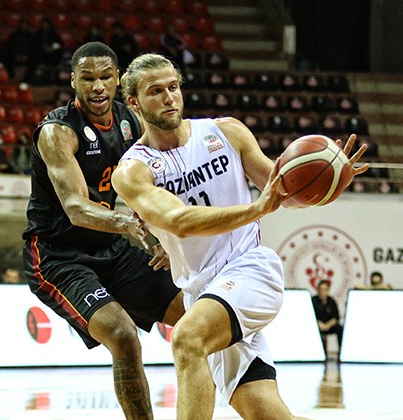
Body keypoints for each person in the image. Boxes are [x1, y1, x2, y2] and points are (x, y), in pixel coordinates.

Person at [110, 53, 368, 419]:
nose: (169, 97)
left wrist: (331, 177)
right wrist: (255, 209)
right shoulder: (132, 172)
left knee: (187, 339)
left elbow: (282, 192)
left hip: (251, 270)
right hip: (203, 292)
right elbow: (178, 220)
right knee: (266, 412)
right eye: (156, 91)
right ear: (133, 102)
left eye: (173, 87)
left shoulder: (225, 131)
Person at [22, 42, 184, 419]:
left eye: (106, 77)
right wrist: (133, 224)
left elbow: (157, 184)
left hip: (112, 249)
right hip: (58, 256)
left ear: (117, 80)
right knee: (124, 337)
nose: (98, 86)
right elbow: (77, 209)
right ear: (73, 79)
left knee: (199, 319)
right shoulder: (58, 132)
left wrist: (163, 233)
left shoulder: (130, 120)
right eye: (89, 78)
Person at [312, 280, 344, 358]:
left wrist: (327, 325)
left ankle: (341, 351)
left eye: (325, 290)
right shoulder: (313, 300)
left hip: (329, 326)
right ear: (318, 290)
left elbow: (336, 317)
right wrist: (319, 324)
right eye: (321, 290)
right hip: (317, 326)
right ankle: (318, 354)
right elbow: (310, 316)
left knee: (340, 329)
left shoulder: (332, 301)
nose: (323, 292)